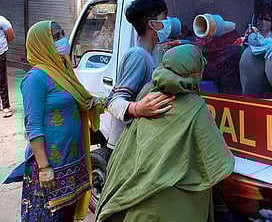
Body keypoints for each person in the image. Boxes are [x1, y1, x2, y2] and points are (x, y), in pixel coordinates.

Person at [95, 44, 235, 222]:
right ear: (195, 72)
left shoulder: (147, 92)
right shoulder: (196, 107)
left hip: (134, 198)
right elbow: (219, 164)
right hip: (172, 208)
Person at [4, 21, 104, 221]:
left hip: (72, 163)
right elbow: (33, 126)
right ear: (42, 43)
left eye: (62, 34)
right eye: (55, 37)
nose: (62, 40)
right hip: (50, 166)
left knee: (66, 216)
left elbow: (85, 100)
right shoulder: (35, 79)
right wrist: (44, 167)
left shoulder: (64, 72)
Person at [105, 0, 176, 155]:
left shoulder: (150, 55)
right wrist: (138, 108)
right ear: (152, 24)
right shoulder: (138, 56)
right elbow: (114, 101)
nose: (169, 22)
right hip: (124, 149)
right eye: (164, 17)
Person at [0, 15, 15, 118]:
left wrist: (3, 45)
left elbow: (11, 36)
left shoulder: (2, 21)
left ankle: (6, 106)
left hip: (0, 53)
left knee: (1, 79)